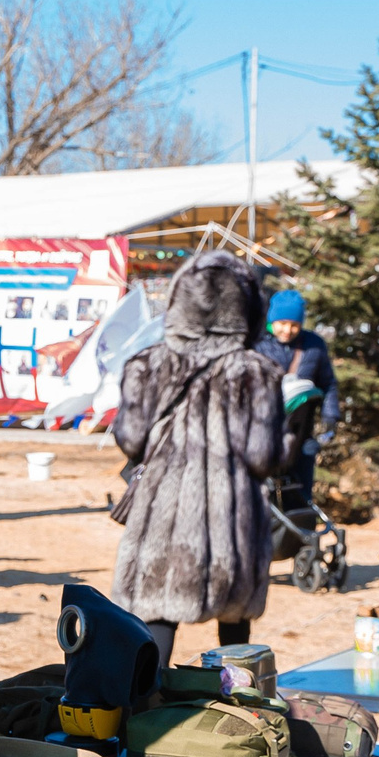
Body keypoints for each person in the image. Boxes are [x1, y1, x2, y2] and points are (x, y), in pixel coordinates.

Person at [112, 251, 290, 654]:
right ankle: (234, 692)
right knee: (235, 632)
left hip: (162, 516)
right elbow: (263, 457)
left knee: (156, 617)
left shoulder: (147, 364)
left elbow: (131, 441)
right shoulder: (256, 372)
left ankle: (151, 691)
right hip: (232, 519)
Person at [254, 287, 340, 508]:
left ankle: (301, 525)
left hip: (301, 432)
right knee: (262, 497)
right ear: (272, 320)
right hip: (265, 433)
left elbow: (328, 383)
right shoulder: (258, 345)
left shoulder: (314, 345)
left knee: (300, 494)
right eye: (282, 323)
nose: (287, 330)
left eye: (294, 324)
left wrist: (330, 416)